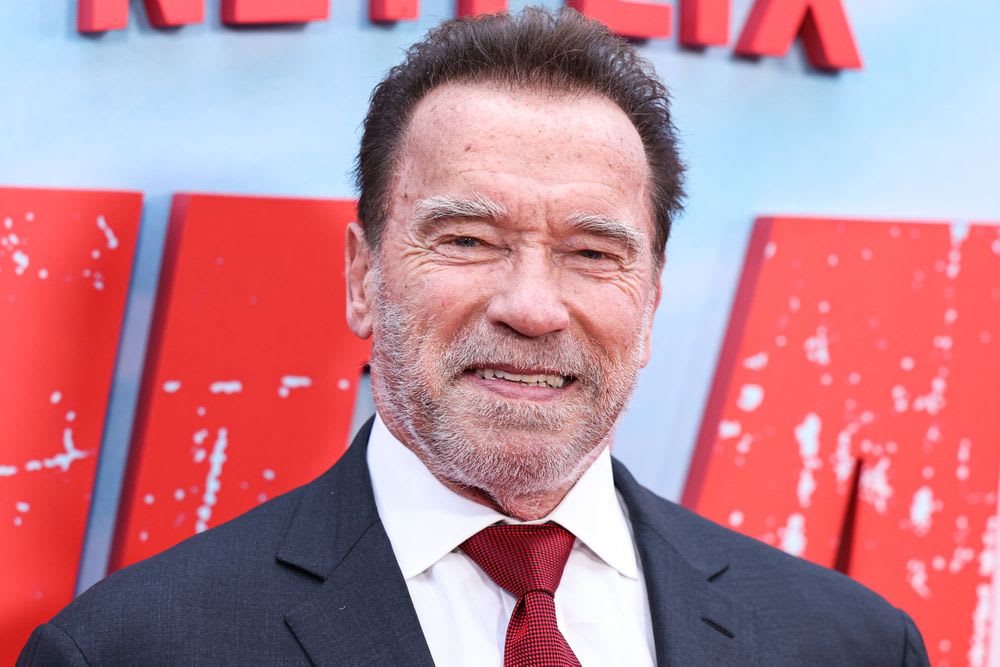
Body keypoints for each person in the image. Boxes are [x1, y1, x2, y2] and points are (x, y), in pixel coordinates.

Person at [19, 7, 929, 666]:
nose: (532, 306)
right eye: (467, 240)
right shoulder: (133, 648)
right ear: (362, 278)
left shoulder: (847, 644)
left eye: (591, 252)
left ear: (650, 300)